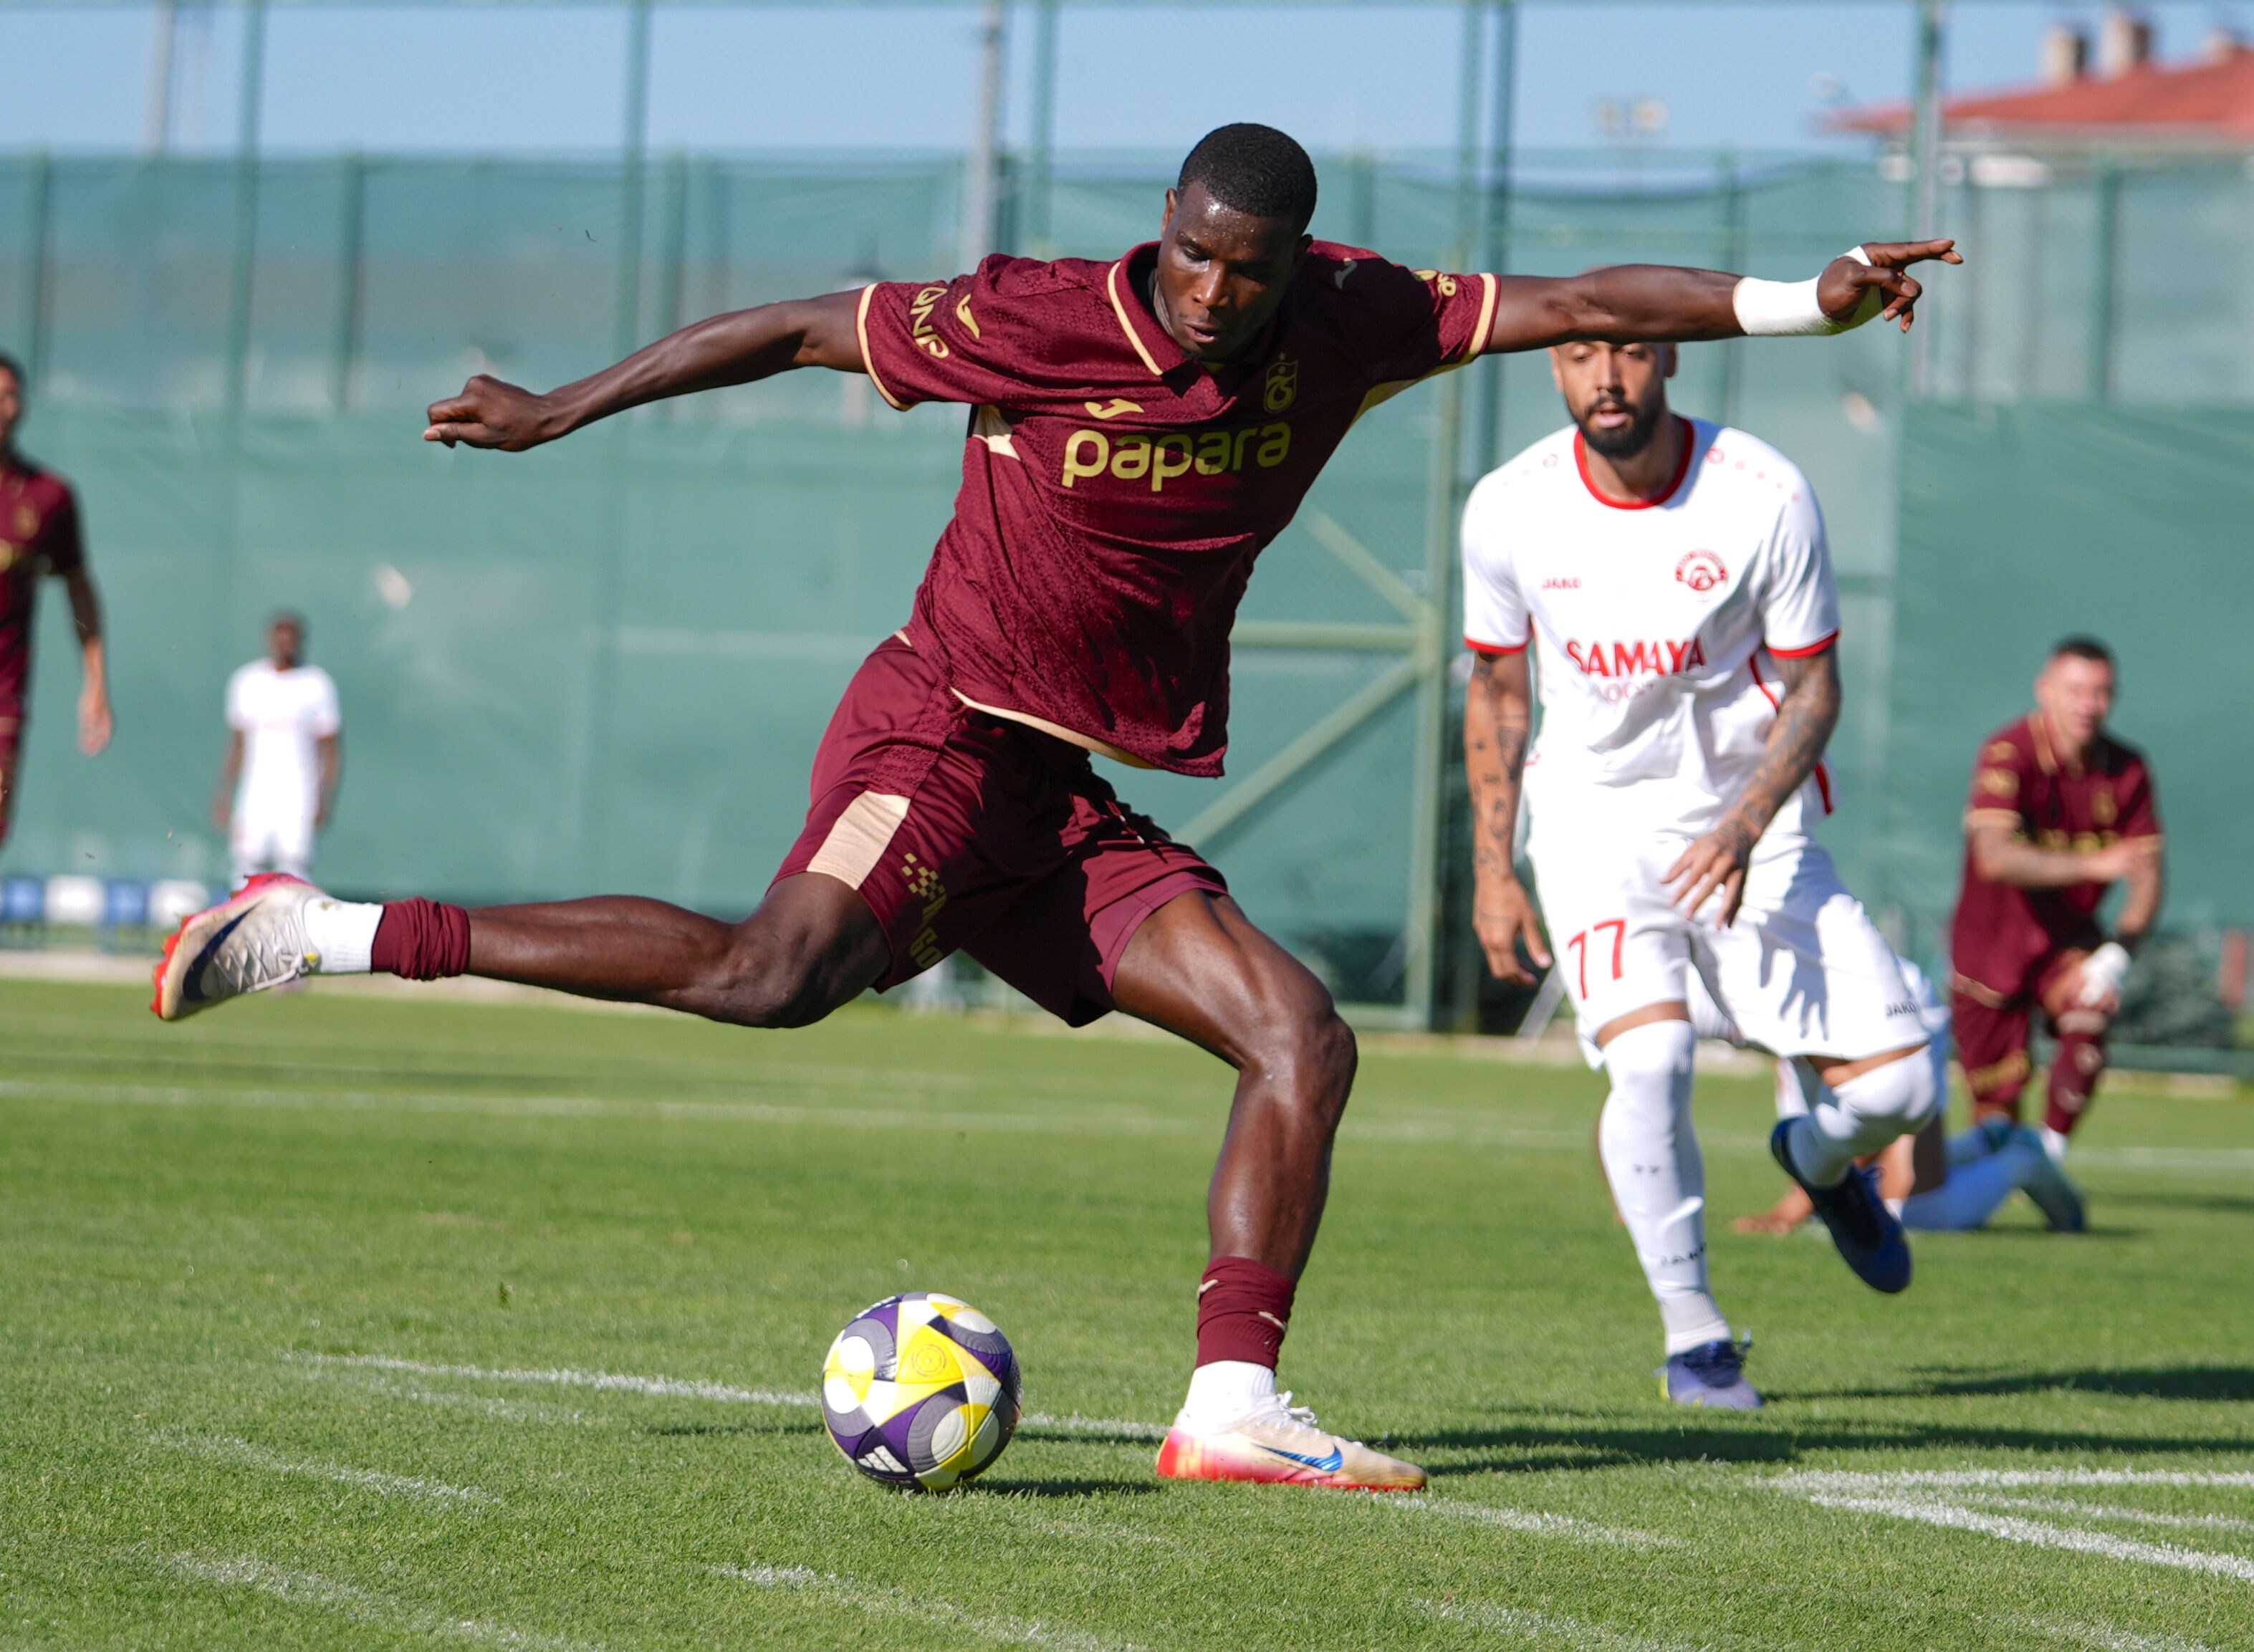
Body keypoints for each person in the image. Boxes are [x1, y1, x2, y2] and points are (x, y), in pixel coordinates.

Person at [153, 125, 1953, 1488]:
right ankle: (313, 928)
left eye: (1240, 270)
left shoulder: (1351, 319)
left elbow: (1576, 303)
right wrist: (561, 410)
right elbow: (791, 327)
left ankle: (1232, 1404)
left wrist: (1809, 299)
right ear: (1162, 229)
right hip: (939, 730)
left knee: (1299, 1042)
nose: (1204, 293)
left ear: (1291, 262)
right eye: (1186, 255)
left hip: (1055, 791)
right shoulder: (1036, 314)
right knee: (773, 977)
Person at [1462, 335, 1948, 1411]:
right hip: (1590, 828)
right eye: (1580, 354)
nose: (1607, 377)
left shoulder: (1762, 491)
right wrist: (1493, 873)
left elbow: (1814, 684)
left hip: (1748, 827)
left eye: (1629, 352)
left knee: (1906, 1088)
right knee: (1652, 1060)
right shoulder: (1507, 505)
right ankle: (1696, 1339)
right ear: (1553, 369)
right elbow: (1495, 691)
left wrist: (1741, 822)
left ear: (1668, 357)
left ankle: (1816, 1161)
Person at [1952, 638, 2161, 1163]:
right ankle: (2005, 1169)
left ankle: (2049, 1154)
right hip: (1990, 949)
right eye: (2075, 691)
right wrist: (2094, 863)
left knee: (2091, 1008)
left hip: (2066, 944)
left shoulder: (2127, 769)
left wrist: (2115, 957)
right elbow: (1994, 858)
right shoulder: (2009, 753)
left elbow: (2149, 874)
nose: (2089, 705)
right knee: (1995, 1112)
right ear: (2045, 691)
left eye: (2101, 692)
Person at [1720, 963, 2089, 1238]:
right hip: (1825, 992)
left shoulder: (1877, 989)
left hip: (1891, 1004)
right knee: (1840, 1196)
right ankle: (1986, 1141)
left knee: (1912, 1209)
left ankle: (2022, 1159)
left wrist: (1794, 1207)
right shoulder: (1752, 971)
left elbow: (1874, 1112)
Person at [0, 350, 113, 845]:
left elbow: (78, 587)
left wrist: (95, 683)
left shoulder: (49, 496)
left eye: (8, 395)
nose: (0, 406)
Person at [213, 612, 342, 889]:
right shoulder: (247, 681)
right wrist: (224, 793)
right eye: (280, 637)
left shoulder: (316, 684)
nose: (286, 645)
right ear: (269, 639)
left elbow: (331, 751)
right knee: (247, 861)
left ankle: (291, 931)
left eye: (292, 638)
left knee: (294, 864)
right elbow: (237, 744)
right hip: (256, 790)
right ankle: (243, 929)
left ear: (301, 641)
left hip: (298, 792)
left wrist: (325, 800)